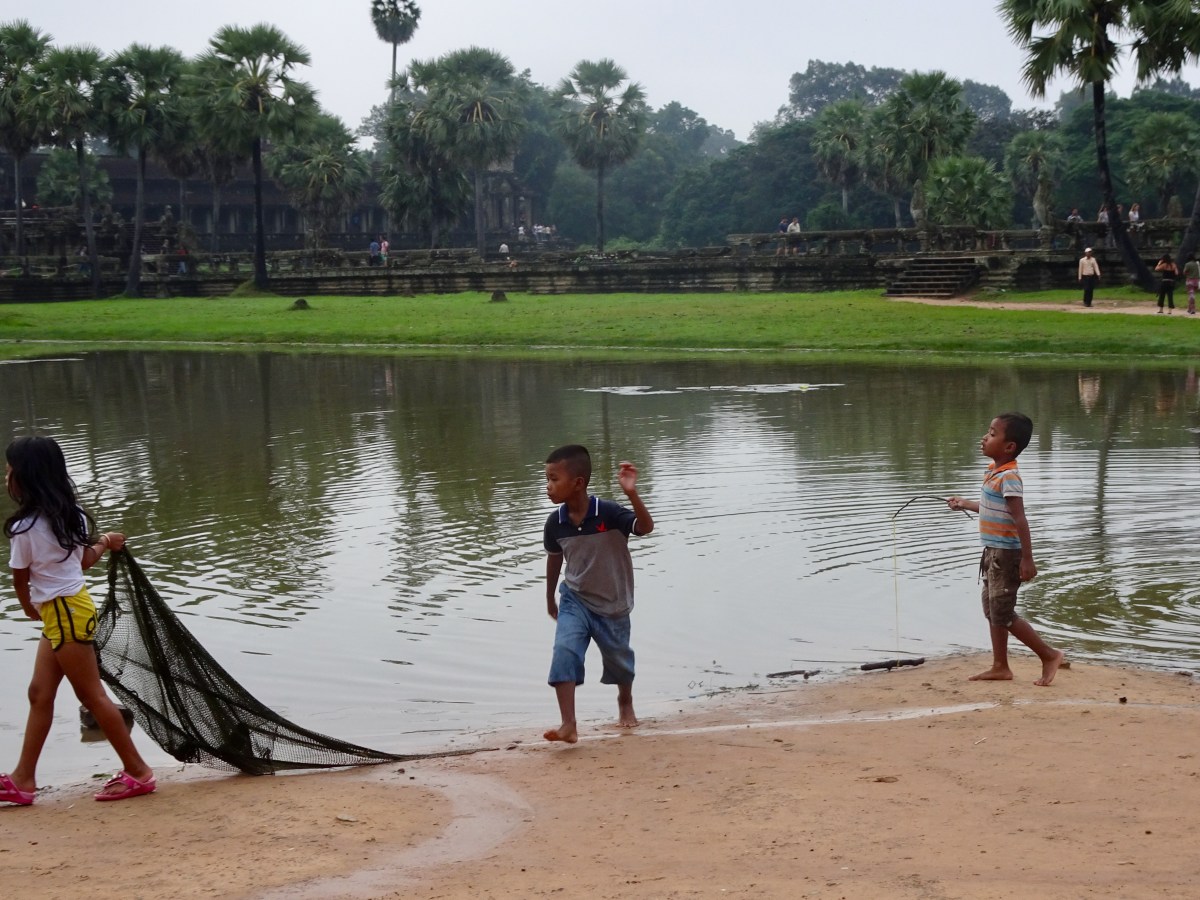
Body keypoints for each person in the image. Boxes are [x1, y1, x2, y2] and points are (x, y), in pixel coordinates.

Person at [0, 436, 156, 805]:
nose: (6, 474)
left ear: (25, 477)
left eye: (9, 468)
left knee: (92, 696)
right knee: (40, 694)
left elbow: (20, 578)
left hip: (64, 615)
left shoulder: (23, 529)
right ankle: (24, 780)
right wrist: (104, 540)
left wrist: (26, 606)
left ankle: (139, 772)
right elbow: (84, 561)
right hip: (69, 611)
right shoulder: (67, 515)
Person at [541, 444, 654, 744]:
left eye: (554, 479)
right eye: (547, 479)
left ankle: (625, 701)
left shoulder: (609, 513)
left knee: (619, 662)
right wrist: (550, 596)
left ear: (578, 482)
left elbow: (645, 527)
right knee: (564, 651)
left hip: (613, 603)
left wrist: (631, 493)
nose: (548, 487)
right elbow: (554, 557)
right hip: (575, 599)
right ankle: (569, 724)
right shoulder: (556, 523)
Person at [947, 413, 1065, 687]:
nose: (984, 437)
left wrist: (1027, 558)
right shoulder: (993, 472)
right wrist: (964, 503)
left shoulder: (1009, 477)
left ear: (1009, 446)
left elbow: (1019, 518)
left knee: (1003, 612)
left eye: (991, 433)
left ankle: (1049, 655)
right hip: (991, 551)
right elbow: (991, 508)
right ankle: (1000, 666)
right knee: (992, 608)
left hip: (1006, 555)